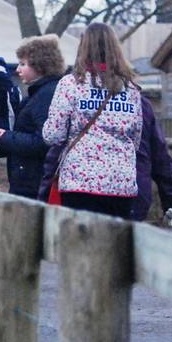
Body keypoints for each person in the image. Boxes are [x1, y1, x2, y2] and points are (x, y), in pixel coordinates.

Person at [40, 22, 142, 218]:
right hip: (121, 183)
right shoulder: (131, 89)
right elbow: (136, 138)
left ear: (83, 47)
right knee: (114, 246)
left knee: (79, 244)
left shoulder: (70, 84)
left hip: (79, 181)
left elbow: (53, 135)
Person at [0, 34, 65, 199]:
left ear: (40, 65)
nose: (17, 69)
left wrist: (7, 138)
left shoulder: (45, 96)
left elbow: (43, 140)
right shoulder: (40, 93)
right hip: (31, 179)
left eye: (23, 64)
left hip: (33, 183)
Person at [133, 95, 172, 224]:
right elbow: (160, 156)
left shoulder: (75, 95)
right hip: (134, 193)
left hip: (83, 192)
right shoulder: (139, 103)